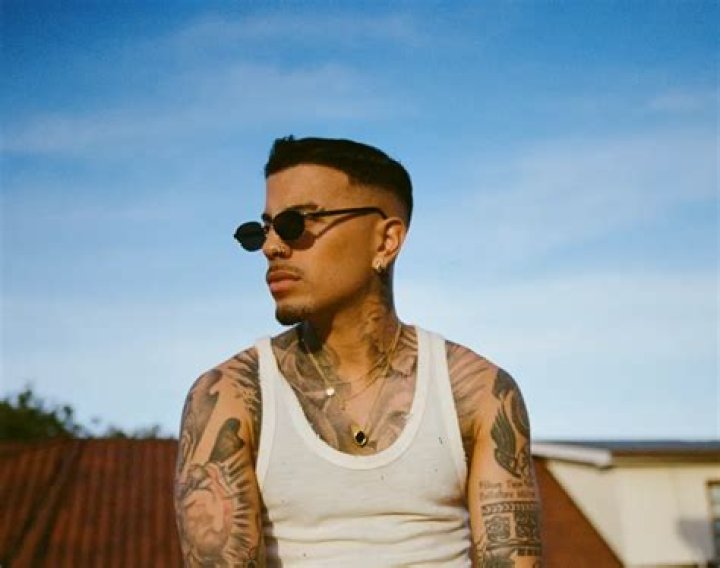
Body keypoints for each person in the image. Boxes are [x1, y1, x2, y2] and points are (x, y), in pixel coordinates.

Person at [174, 136, 543, 567]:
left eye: (295, 223)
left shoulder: (479, 392)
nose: (272, 247)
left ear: (386, 241)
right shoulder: (229, 396)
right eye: (262, 230)